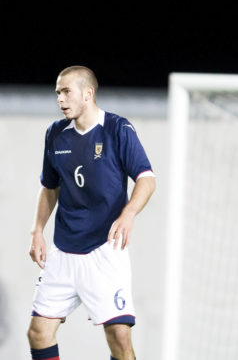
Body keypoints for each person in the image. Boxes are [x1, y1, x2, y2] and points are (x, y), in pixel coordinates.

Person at [27, 66, 156, 360]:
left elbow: (147, 179)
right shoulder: (56, 134)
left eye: (66, 91)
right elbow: (49, 187)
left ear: (88, 93)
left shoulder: (117, 129)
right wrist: (37, 230)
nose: (60, 99)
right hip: (64, 251)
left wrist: (128, 213)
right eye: (58, 92)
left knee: (120, 338)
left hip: (104, 250)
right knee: (38, 332)